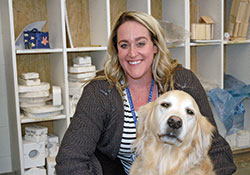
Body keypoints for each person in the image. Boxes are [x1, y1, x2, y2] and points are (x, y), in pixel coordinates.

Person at [55, 11, 236, 175]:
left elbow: (217, 149)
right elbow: (70, 160)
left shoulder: (183, 81)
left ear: (155, 46)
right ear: (117, 51)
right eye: (124, 45)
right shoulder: (100, 92)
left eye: (141, 43)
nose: (133, 53)